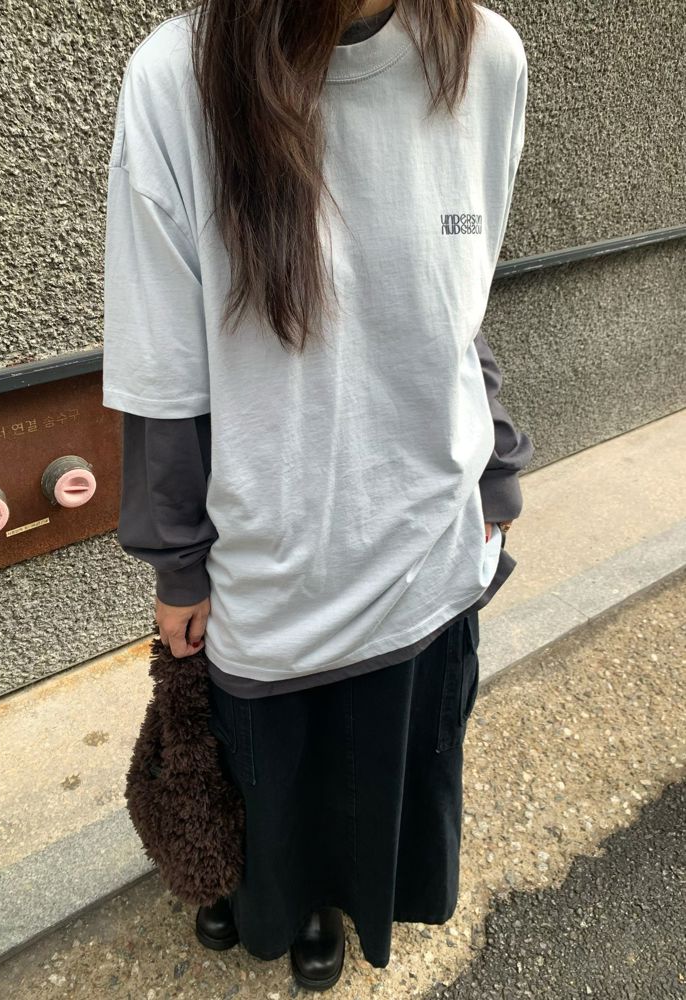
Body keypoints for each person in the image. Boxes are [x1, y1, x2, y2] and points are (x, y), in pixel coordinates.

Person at [103, 0, 533, 990]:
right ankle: (283, 904)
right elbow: (164, 365)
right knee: (272, 774)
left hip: (428, 544)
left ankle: (338, 901)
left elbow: (457, 305)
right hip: (274, 562)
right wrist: (177, 562)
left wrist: (496, 465)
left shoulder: (489, 57)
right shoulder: (176, 78)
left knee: (388, 763)